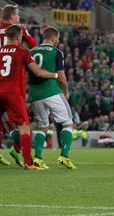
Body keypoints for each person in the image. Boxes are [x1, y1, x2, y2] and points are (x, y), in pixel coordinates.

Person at [0, 25, 57, 170]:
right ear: (19, 36)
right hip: (12, 93)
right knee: (24, 126)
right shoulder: (22, 51)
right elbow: (37, 71)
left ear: (7, 36)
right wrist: (54, 75)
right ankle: (27, 163)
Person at [0, 5, 38, 165]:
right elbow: (34, 45)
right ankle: (21, 154)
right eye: (17, 15)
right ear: (11, 17)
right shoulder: (19, 29)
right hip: (15, 81)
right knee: (21, 121)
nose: (19, 18)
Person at [28, 27, 76, 170]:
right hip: (51, 91)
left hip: (35, 94)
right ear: (54, 38)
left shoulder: (31, 51)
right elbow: (61, 76)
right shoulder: (56, 52)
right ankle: (64, 156)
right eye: (58, 38)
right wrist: (66, 91)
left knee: (42, 126)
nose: (59, 41)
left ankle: (37, 157)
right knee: (68, 122)